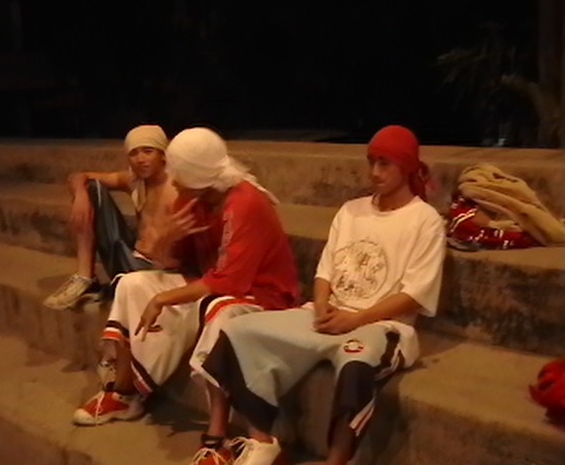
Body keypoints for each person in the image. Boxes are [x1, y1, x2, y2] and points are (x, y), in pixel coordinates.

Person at [197, 125, 446, 465]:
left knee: (357, 365)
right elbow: (325, 270)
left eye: (385, 163)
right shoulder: (351, 210)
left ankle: (336, 460)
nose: (374, 172)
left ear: (406, 167)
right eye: (371, 161)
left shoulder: (425, 220)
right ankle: (263, 441)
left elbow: (415, 293)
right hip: (327, 313)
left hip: (381, 324)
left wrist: (357, 318)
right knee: (236, 332)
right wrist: (322, 308)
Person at [72, 127, 298, 432]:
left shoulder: (245, 201)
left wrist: (163, 298)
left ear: (198, 175)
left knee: (215, 307)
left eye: (179, 173)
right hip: (209, 285)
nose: (173, 180)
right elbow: (171, 263)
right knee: (130, 283)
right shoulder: (191, 197)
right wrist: (168, 239)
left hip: (260, 294)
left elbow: (229, 281)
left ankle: (222, 431)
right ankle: (124, 394)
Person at [43, 124, 177, 310]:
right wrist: (80, 195)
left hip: (158, 271)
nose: (140, 159)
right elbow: (79, 176)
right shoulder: (134, 181)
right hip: (129, 257)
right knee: (91, 188)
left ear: (162, 154)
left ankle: (122, 287)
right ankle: (85, 278)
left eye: (148, 152)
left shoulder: (177, 188)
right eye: (134, 153)